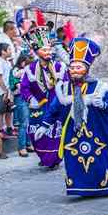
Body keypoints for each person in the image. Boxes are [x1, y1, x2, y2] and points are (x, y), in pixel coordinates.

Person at [36, 38, 108, 196]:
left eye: (79, 67)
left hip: (98, 130)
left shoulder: (99, 86)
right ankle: (81, 187)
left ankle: (104, 188)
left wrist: (104, 103)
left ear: (86, 68)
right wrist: (44, 125)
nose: (74, 70)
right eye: (72, 67)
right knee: (75, 159)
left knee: (99, 158)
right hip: (73, 132)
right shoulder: (63, 88)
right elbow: (55, 108)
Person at [21, 26, 67, 169]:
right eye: (44, 50)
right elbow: (24, 87)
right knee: (37, 135)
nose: (48, 52)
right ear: (37, 52)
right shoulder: (30, 69)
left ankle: (54, 158)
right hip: (39, 106)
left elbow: (66, 84)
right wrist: (31, 100)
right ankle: (43, 156)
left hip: (56, 105)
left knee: (55, 134)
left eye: (49, 50)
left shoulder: (60, 67)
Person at [10, 50, 34, 157]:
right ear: (23, 62)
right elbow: (18, 87)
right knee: (23, 123)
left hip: (28, 97)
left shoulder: (24, 71)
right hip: (20, 97)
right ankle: (22, 147)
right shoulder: (16, 71)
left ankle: (28, 144)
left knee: (28, 122)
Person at [0, 43, 14, 137]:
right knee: (0, 112)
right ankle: (0, 130)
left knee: (9, 111)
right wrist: (5, 91)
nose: (11, 51)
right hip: (0, 91)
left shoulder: (7, 62)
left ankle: (9, 128)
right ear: (3, 52)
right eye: (9, 49)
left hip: (8, 91)